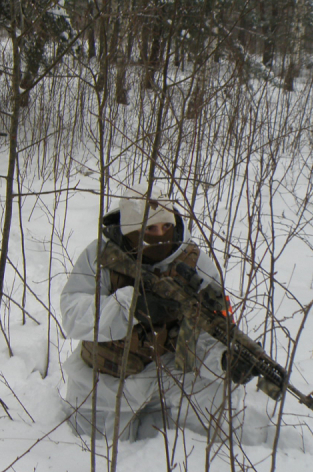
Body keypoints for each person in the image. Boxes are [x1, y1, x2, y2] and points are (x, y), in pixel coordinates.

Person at [60, 182, 254, 441]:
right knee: (94, 451)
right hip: (104, 378)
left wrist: (224, 360)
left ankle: (201, 463)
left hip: (166, 370)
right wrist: (129, 306)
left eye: (166, 227)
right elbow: (72, 315)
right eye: (149, 229)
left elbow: (208, 328)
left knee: (219, 396)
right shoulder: (101, 255)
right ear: (131, 231)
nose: (160, 235)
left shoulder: (195, 264)